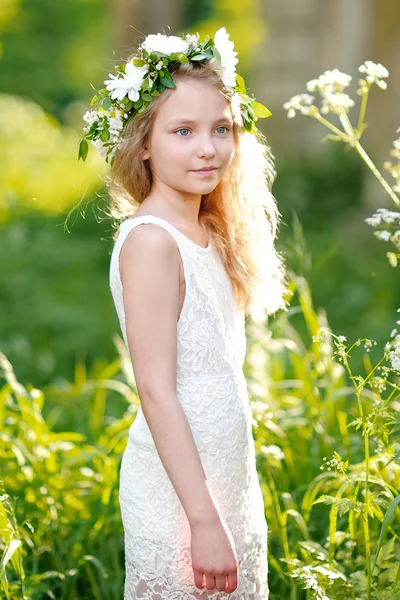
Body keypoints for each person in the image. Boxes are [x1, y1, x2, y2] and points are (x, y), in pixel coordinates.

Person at [80, 27, 287, 599]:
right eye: (184, 131)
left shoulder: (209, 231)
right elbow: (157, 390)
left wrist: (223, 507)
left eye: (222, 129)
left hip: (226, 479)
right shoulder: (151, 241)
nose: (208, 148)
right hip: (182, 496)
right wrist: (201, 520)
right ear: (143, 143)